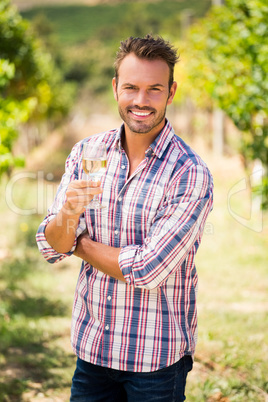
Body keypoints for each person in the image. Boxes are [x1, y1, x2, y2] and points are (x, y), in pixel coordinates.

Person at [36, 34, 213, 401]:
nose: (141, 101)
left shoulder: (189, 173)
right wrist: (68, 214)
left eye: (154, 89)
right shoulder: (88, 152)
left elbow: (147, 268)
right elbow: (51, 247)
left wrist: (77, 242)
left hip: (155, 362)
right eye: (131, 87)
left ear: (171, 92)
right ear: (116, 87)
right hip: (93, 351)